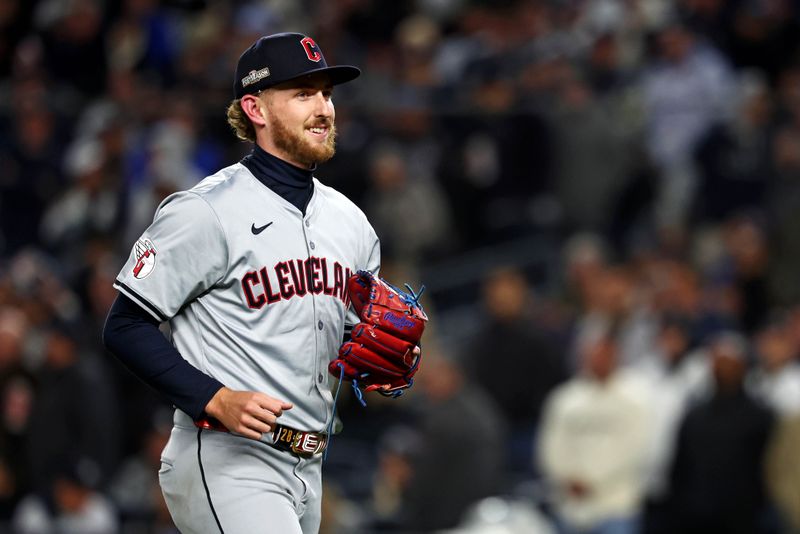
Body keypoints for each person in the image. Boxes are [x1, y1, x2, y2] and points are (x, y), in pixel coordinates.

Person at [102, 32, 380, 533]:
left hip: (310, 463)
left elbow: (350, 347)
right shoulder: (206, 211)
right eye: (302, 93)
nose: (323, 108)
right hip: (228, 459)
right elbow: (124, 326)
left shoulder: (352, 224)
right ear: (254, 107)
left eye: (327, 93)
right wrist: (214, 397)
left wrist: (381, 358)